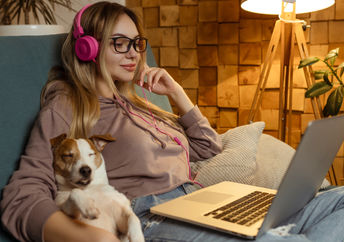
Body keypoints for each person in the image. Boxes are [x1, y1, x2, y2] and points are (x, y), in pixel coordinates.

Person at [1, 1, 344, 242]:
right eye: (119, 43)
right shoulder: (68, 104)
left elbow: (207, 147)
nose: (134, 53)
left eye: (136, 43)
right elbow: (23, 194)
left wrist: (177, 94)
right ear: (87, 49)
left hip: (205, 202)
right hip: (152, 218)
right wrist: (86, 236)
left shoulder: (141, 104)